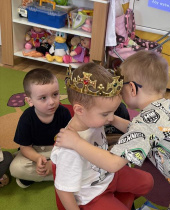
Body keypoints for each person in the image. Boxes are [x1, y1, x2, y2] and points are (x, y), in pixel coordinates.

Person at [55, 51, 170, 210]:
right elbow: (142, 133)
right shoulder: (166, 106)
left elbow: (112, 163)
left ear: (132, 88)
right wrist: (114, 118)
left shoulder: (145, 125)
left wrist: (76, 142)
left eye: (121, 86)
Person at [51, 63, 154, 209]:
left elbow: (131, 128)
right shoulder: (68, 149)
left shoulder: (92, 119)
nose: (111, 118)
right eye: (106, 114)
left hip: (109, 175)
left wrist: (111, 117)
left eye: (113, 111)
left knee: (147, 182)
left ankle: (116, 199)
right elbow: (63, 190)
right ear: (79, 110)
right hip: (91, 196)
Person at [9, 68, 71, 188]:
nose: (52, 102)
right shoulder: (26, 118)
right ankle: (60, 174)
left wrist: (53, 161)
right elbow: (25, 147)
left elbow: (71, 141)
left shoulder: (63, 113)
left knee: (79, 155)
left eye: (55, 94)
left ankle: (41, 174)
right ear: (30, 101)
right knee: (15, 168)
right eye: (43, 98)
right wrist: (38, 158)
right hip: (36, 151)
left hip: (58, 150)